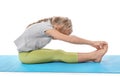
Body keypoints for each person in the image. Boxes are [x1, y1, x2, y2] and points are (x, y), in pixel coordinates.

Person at [14, 16, 108, 64]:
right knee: (58, 54)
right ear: (59, 27)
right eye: (63, 33)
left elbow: (72, 38)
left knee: (58, 52)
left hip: (30, 53)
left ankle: (94, 56)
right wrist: (92, 42)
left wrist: (91, 43)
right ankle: (94, 56)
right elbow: (70, 39)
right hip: (25, 56)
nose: (62, 35)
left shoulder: (46, 25)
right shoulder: (47, 28)